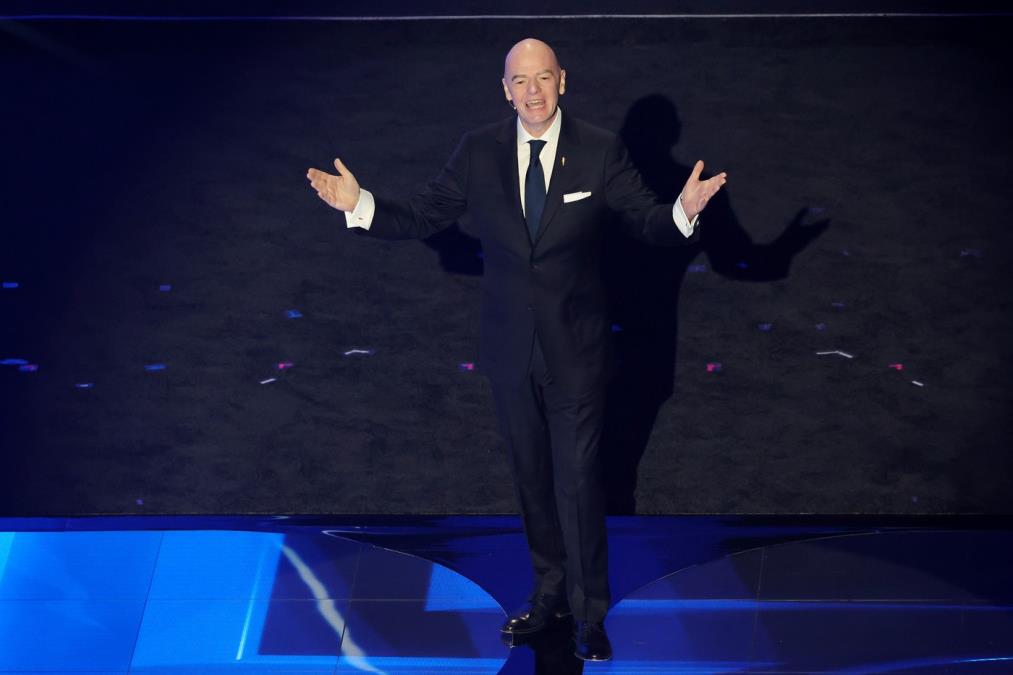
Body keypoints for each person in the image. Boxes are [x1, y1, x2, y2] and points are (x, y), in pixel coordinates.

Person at [307, 38, 726, 661]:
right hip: (509, 350)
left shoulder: (600, 148)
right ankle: (548, 594)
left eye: (544, 78)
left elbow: (644, 218)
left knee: (577, 479)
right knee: (531, 477)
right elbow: (424, 213)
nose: (533, 92)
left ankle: (589, 612)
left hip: (577, 350)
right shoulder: (479, 150)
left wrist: (682, 212)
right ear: (505, 90)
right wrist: (360, 205)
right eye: (520, 81)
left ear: (563, 81)